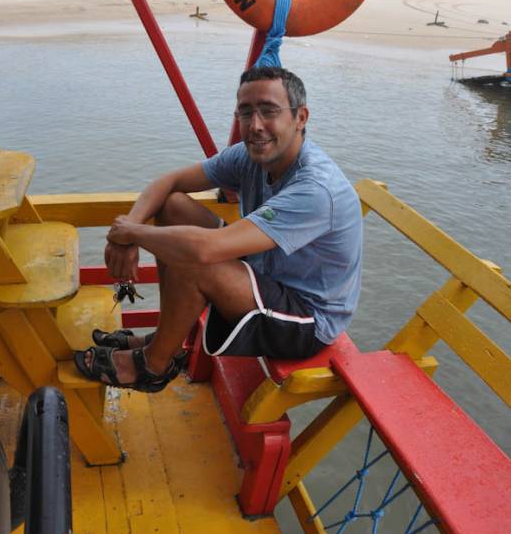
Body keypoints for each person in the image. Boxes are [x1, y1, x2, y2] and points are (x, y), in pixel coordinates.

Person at [74, 66, 363, 391]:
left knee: (195, 258)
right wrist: (132, 225)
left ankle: (154, 365)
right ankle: (166, 338)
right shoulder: (250, 157)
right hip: (265, 273)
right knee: (173, 206)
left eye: (269, 111)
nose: (255, 126)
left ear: (300, 118)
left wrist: (128, 234)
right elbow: (168, 182)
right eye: (245, 112)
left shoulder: (316, 189)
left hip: (308, 318)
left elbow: (204, 250)